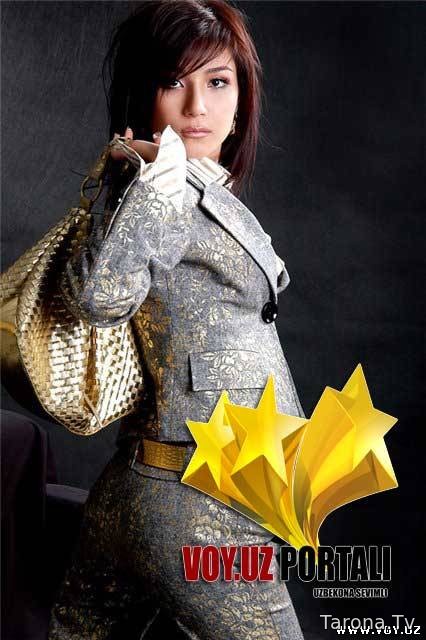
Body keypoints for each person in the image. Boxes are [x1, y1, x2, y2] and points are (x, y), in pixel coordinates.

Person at [47, 1, 306, 638]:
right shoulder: (155, 186)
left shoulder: (202, 187)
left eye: (217, 82)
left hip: (147, 486)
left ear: (241, 100)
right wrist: (154, 179)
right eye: (172, 83)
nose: (197, 107)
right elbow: (98, 296)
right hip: (198, 503)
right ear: (145, 97)